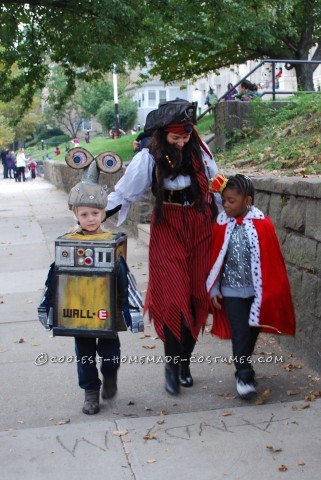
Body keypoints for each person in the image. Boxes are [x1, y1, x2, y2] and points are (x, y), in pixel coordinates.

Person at [106, 99, 222, 395]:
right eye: (175, 138)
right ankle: (171, 364)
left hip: (200, 225)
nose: (182, 143)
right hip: (168, 225)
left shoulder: (200, 151)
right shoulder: (149, 157)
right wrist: (94, 215)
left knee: (198, 295)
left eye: (186, 136)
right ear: (162, 136)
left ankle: (184, 362)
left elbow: (218, 187)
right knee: (172, 297)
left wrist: (234, 218)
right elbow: (125, 193)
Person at [39, 164, 143, 415]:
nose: (90, 218)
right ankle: (90, 392)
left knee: (110, 356)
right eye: (84, 214)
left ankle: (109, 377)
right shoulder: (69, 241)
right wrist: (48, 308)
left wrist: (132, 312)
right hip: (79, 313)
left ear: (102, 213)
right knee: (84, 356)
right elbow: (54, 278)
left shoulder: (111, 242)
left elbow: (124, 277)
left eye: (95, 213)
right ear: (76, 214)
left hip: (106, 313)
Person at [207, 174, 296, 399]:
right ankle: (244, 375)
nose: (226, 205)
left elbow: (272, 260)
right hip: (231, 291)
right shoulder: (221, 224)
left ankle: (245, 366)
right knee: (240, 333)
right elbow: (216, 259)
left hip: (257, 293)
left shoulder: (262, 224)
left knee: (252, 332)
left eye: (231, 201)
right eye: (224, 200)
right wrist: (215, 288)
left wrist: (273, 290)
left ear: (247, 201)